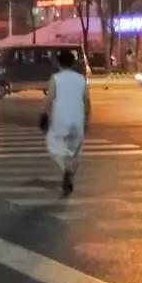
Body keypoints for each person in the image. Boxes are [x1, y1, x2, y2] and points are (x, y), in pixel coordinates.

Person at [43, 49, 90, 194]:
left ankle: (65, 170)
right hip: (78, 118)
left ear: (58, 63)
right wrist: (87, 120)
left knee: (54, 145)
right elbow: (87, 101)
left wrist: (45, 115)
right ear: (72, 62)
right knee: (75, 151)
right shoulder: (81, 78)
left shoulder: (55, 78)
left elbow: (50, 99)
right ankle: (70, 174)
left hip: (60, 119)